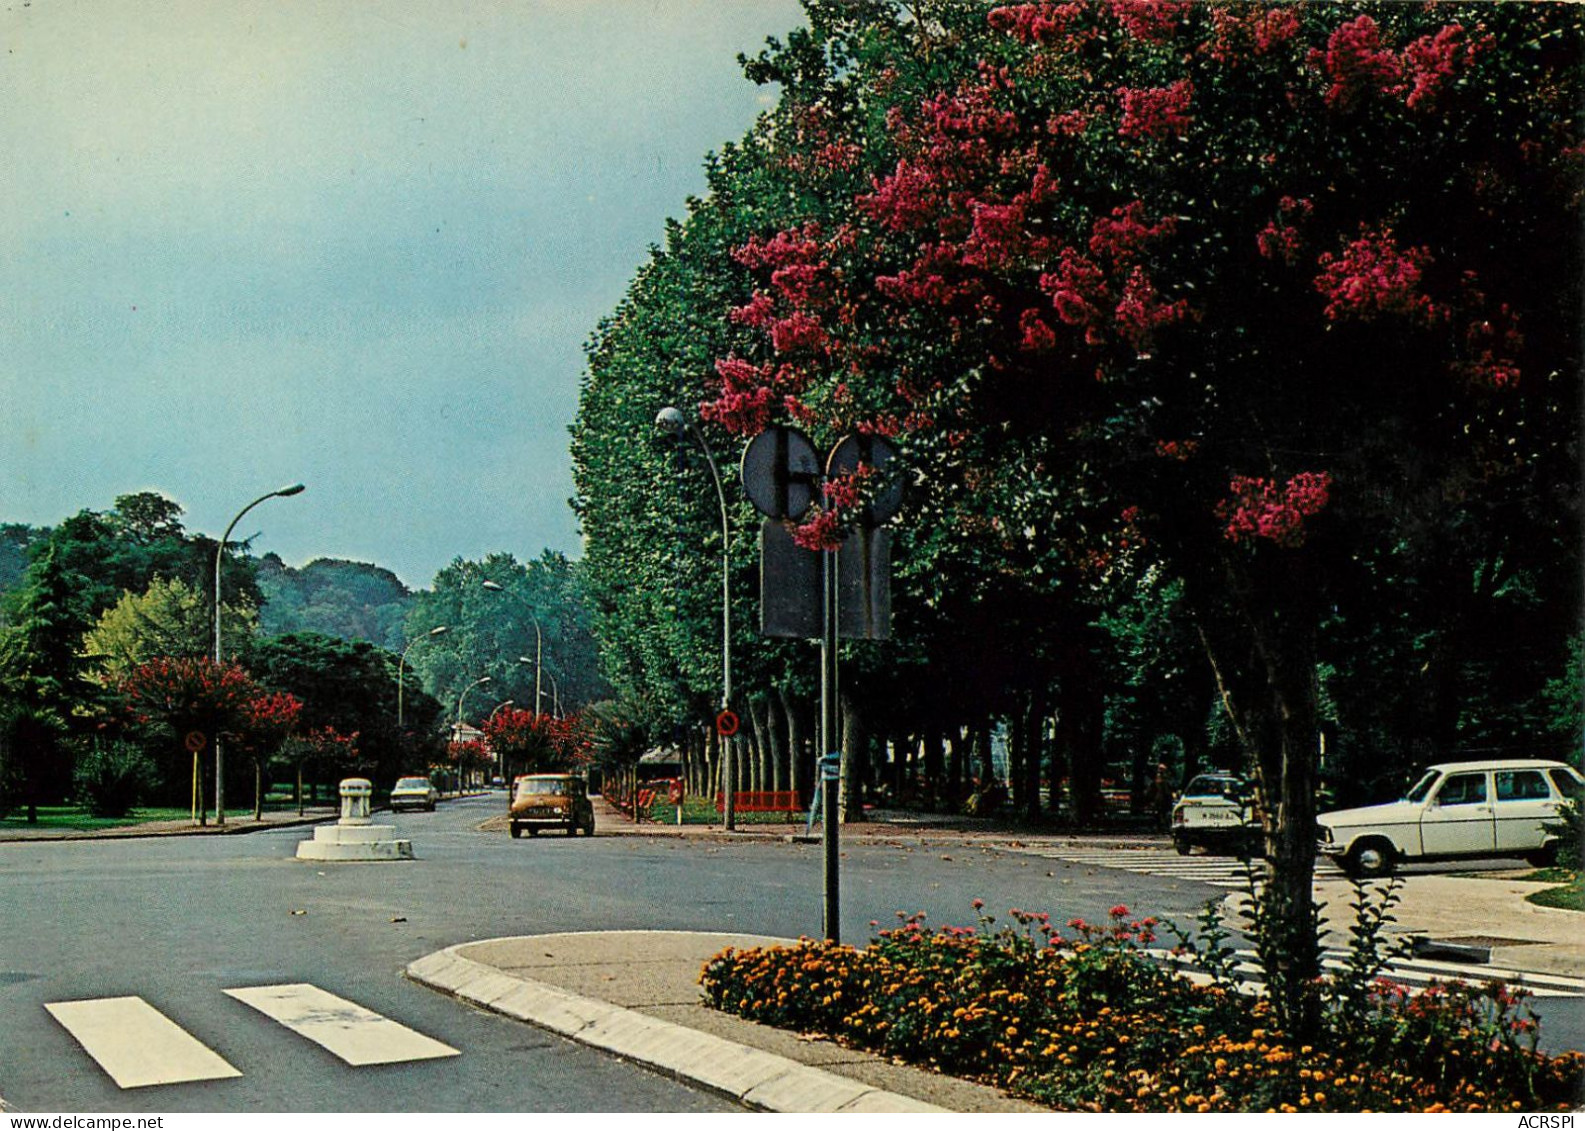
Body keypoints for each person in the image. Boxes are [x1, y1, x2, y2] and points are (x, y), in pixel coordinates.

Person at [1147, 763, 1173, 831]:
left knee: (1163, 814)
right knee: (1159, 814)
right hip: (1159, 800)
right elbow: (1152, 790)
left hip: (1163, 800)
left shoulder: (1165, 780)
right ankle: (1160, 826)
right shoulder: (1160, 780)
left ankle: (1162, 826)